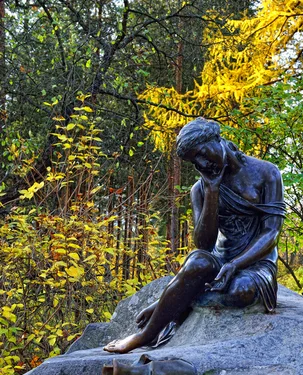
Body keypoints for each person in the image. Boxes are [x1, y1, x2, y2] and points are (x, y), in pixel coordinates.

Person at [104, 117, 285, 353]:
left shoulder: (266, 173)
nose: (201, 163)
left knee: (241, 291)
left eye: (201, 153)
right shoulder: (200, 188)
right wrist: (212, 190)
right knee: (197, 261)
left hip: (256, 262)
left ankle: (170, 302)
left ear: (217, 140)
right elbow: (204, 244)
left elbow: (271, 233)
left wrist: (236, 264)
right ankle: (146, 335)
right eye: (193, 162)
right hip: (220, 259)